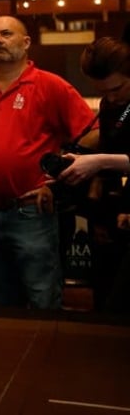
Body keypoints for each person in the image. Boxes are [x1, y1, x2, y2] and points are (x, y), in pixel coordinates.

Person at [0, 15, 96, 309]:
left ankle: (49, 356)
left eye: (6, 34)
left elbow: (93, 132)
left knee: (43, 298)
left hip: (31, 213)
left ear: (26, 42)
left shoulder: (49, 85)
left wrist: (58, 176)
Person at [56, 36, 130, 312]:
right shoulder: (112, 106)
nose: (111, 97)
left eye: (117, 88)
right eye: (103, 91)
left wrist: (98, 162)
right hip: (112, 214)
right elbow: (111, 151)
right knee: (106, 299)